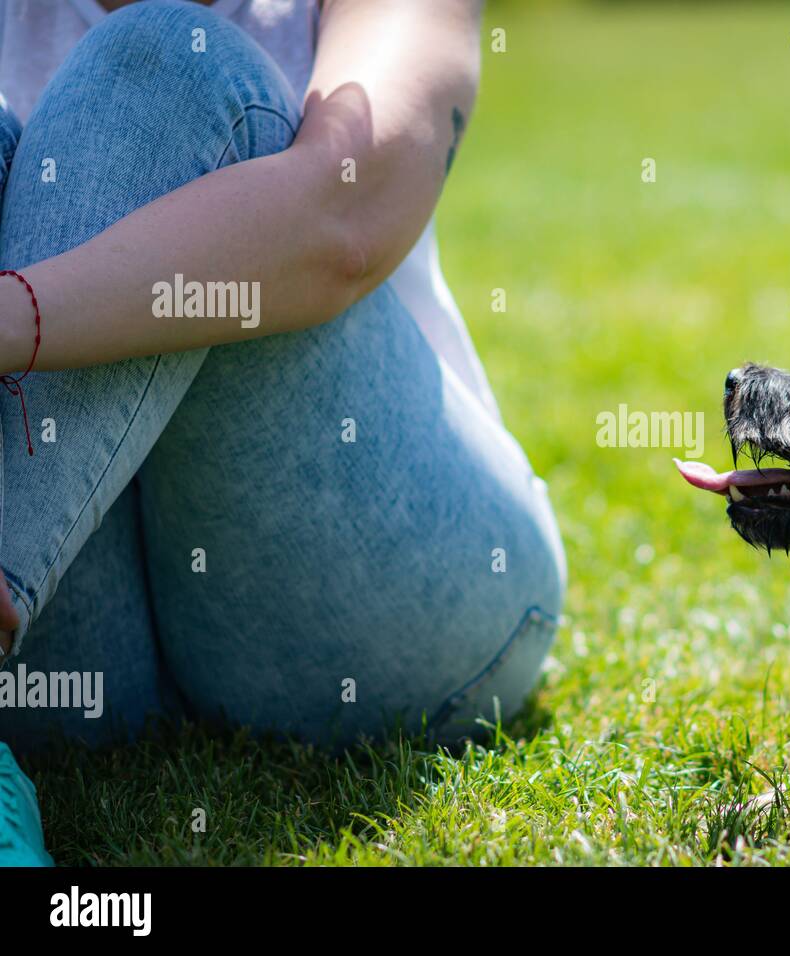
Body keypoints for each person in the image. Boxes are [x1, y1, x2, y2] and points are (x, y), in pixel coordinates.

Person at [0, 0, 565, 866]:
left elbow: (343, 223)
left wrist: (17, 315)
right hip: (67, 657)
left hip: (373, 592)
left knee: (163, 64)